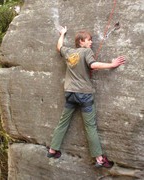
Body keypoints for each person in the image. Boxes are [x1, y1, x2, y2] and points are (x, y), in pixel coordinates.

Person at [47, 26, 125, 168]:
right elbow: (93, 65)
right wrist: (112, 64)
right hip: (84, 95)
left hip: (70, 93)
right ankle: (99, 159)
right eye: (89, 40)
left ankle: (53, 150)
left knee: (63, 122)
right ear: (81, 42)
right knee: (90, 126)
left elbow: (59, 47)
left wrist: (63, 33)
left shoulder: (69, 51)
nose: (91, 43)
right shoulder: (86, 51)